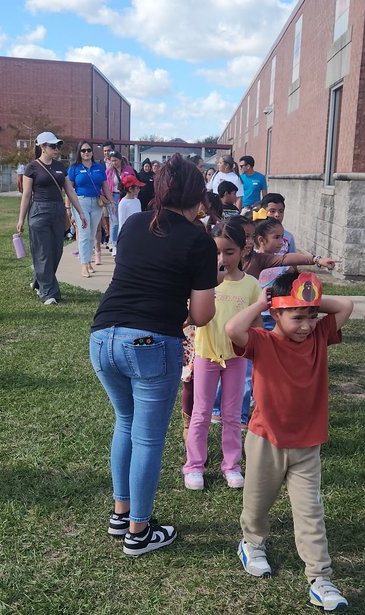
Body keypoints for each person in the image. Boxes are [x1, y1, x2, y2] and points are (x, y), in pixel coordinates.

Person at [89, 154, 217, 557]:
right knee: (147, 437)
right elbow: (201, 314)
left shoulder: (131, 223)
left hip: (101, 336)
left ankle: (120, 512)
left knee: (124, 422)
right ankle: (139, 531)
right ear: (197, 196)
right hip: (148, 343)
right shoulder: (198, 240)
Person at [225, 271, 354, 610]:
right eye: (297, 317)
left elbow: (345, 305)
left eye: (312, 316)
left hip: (307, 445)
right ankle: (252, 543)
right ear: (276, 313)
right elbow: (232, 330)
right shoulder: (262, 341)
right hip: (265, 439)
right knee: (257, 503)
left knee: (310, 511)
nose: (307, 325)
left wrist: (308, 300)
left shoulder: (320, 337)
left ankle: (321, 578)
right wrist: (262, 303)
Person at [183, 219, 261, 491]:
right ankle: (194, 466)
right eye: (216, 252)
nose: (222, 258)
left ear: (243, 250)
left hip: (237, 359)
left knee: (232, 415)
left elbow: (256, 324)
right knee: (201, 412)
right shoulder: (202, 282)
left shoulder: (251, 285)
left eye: (229, 252)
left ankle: (232, 466)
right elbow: (190, 316)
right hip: (206, 356)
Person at [16, 132, 88, 305]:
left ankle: (39, 280)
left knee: (56, 251)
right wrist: (20, 219)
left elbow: (69, 190)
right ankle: (48, 293)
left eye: (58, 146)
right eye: (53, 146)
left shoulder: (60, 167)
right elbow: (26, 195)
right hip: (39, 211)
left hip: (57, 210)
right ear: (42, 147)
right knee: (43, 252)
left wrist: (80, 212)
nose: (57, 149)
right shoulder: (31, 168)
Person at [67, 142, 114, 278]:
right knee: (84, 234)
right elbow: (69, 189)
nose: (86, 152)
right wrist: (68, 207)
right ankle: (84, 265)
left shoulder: (99, 168)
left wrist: (112, 202)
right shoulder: (74, 168)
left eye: (88, 150)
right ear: (79, 153)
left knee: (92, 235)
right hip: (81, 202)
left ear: (92, 152)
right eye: (83, 150)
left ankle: (88, 262)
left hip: (97, 203)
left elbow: (105, 187)